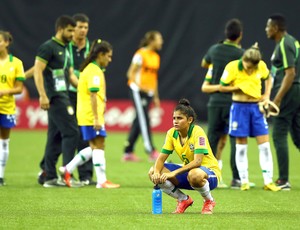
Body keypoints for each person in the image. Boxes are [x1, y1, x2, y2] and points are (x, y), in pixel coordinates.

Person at [59, 39, 120, 189]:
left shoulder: (90, 69)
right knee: (99, 145)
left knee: (95, 146)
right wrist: (97, 117)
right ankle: (101, 181)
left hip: (87, 114)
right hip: (91, 115)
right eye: (109, 56)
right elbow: (93, 95)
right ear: (101, 55)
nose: (110, 60)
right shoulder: (93, 71)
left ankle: (67, 169)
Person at [219, 44, 281, 191]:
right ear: (243, 59)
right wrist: (238, 88)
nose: (249, 69)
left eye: (252, 67)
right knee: (241, 147)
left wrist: (266, 95)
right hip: (239, 108)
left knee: (265, 146)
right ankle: (244, 181)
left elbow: (268, 78)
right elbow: (222, 86)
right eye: (247, 66)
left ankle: (268, 181)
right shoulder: (232, 67)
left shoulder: (261, 66)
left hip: (256, 108)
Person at [149, 98, 220, 214]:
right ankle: (183, 200)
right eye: (174, 118)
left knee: (195, 174)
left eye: (180, 118)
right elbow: (161, 158)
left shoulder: (198, 132)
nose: (175, 121)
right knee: (152, 172)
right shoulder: (172, 133)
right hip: (189, 172)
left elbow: (197, 162)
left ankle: (209, 201)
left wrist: (173, 173)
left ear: (190, 120)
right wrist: (157, 172)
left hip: (209, 173)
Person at [33, 15, 79, 187]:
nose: (73, 34)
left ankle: (49, 176)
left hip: (63, 94)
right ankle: (66, 174)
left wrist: (85, 88)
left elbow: (70, 75)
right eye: (70, 30)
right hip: (55, 96)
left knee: (55, 136)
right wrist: (42, 95)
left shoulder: (66, 48)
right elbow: (38, 71)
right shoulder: (48, 47)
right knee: (72, 132)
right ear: (60, 29)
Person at [201, 18, 245, 189]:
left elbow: (204, 63)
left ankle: (207, 173)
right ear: (240, 35)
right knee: (234, 138)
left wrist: (215, 63)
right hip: (233, 102)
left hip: (214, 101)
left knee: (212, 137)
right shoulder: (241, 54)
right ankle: (237, 178)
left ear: (226, 34)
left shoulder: (214, 49)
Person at [265, 14, 300, 190]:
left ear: (276, 28)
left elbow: (290, 73)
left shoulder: (285, 43)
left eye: (268, 26)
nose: (266, 30)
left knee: (279, 134)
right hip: (295, 92)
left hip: (289, 92)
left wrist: (277, 99)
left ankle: (283, 179)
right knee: (298, 135)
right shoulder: (290, 41)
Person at [122, 31, 163, 162]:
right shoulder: (140, 54)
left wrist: (156, 96)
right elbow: (130, 73)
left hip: (149, 92)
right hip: (137, 91)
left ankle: (128, 151)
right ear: (151, 41)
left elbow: (154, 78)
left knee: (139, 121)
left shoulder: (156, 56)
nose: (161, 41)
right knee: (144, 119)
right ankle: (150, 150)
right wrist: (139, 87)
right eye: (159, 39)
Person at [68, 13, 95, 185]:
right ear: (73, 28)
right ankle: (49, 169)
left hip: (84, 96)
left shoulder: (90, 49)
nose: (83, 30)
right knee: (69, 133)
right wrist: (83, 87)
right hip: (70, 95)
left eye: (86, 27)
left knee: (86, 134)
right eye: (80, 27)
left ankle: (86, 175)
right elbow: (69, 73)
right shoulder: (66, 47)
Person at [0, 31, 26, 186]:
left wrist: (5, 91)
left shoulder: (16, 63)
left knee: (4, 142)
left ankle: (1, 176)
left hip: (7, 107)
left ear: (7, 43)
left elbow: (19, 89)